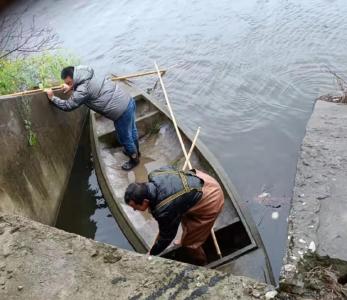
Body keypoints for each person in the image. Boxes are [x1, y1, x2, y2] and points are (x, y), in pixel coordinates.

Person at [124, 166, 224, 265]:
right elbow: (172, 168)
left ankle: (202, 264)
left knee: (189, 244)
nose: (134, 209)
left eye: (134, 206)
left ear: (145, 201)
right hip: (203, 179)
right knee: (181, 212)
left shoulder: (164, 209)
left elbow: (166, 236)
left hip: (211, 197)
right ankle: (186, 236)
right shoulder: (155, 173)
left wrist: (152, 253)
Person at [45, 65, 140, 170]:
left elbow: (68, 105)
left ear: (75, 78)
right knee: (132, 130)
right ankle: (136, 152)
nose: (68, 85)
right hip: (128, 100)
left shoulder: (83, 89)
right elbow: (84, 89)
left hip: (121, 112)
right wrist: (72, 87)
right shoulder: (87, 72)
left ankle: (134, 160)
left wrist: (52, 98)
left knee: (125, 138)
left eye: (69, 83)